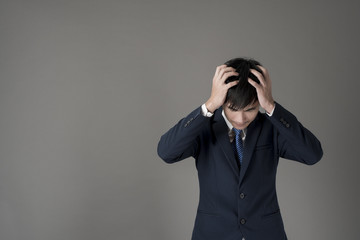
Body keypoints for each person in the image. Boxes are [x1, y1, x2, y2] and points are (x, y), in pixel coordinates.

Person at [157, 57, 323, 240]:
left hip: (265, 233)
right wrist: (210, 104)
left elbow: (312, 155)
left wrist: (271, 106)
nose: (241, 118)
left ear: (259, 102)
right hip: (213, 234)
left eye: (251, 109)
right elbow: (166, 152)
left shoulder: (271, 128)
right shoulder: (204, 127)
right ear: (223, 101)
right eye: (233, 108)